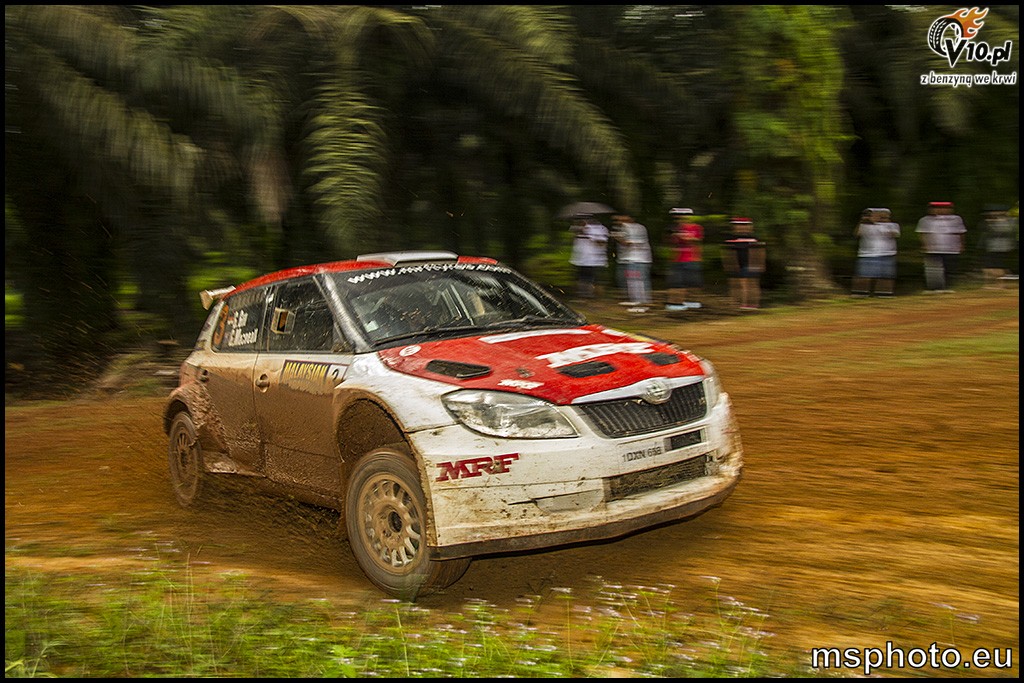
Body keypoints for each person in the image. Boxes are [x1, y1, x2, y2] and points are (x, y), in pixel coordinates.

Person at [916, 201, 966, 292]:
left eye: (944, 208)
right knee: (932, 269)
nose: (941, 210)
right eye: (937, 208)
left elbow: (961, 232)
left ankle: (947, 287)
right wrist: (924, 245)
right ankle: (933, 288)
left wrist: (961, 245)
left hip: (951, 248)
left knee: (949, 268)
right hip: (933, 248)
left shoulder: (956, 219)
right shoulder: (925, 220)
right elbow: (922, 233)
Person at [852, 208, 900, 297]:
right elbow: (857, 234)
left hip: (887, 254)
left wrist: (879, 223)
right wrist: (864, 221)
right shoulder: (864, 226)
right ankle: (859, 294)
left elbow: (894, 234)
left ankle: (884, 294)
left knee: (886, 277)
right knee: (863, 276)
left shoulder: (892, 225)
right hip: (867, 254)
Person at [611, 214, 653, 311]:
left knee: (638, 282)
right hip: (631, 260)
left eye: (621, 219)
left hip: (638, 259)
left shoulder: (637, 228)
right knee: (632, 281)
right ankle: (636, 301)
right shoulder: (624, 228)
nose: (619, 221)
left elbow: (627, 243)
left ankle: (643, 304)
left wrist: (617, 237)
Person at [722, 217, 766, 310]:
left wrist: (760, 264)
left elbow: (760, 251)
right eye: (738, 225)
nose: (741, 227)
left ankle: (752, 304)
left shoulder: (754, 238)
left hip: (751, 264)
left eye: (744, 225)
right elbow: (727, 252)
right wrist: (728, 264)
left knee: (751, 284)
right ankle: (737, 304)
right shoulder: (731, 239)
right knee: (736, 285)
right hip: (736, 265)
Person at [665, 208, 704, 311]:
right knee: (677, 283)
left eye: (684, 215)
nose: (681, 218)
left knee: (693, 283)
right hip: (677, 259)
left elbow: (697, 240)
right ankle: (675, 303)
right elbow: (670, 242)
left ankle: (692, 302)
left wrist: (684, 236)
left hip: (692, 259)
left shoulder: (696, 227)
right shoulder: (674, 228)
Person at [569, 214, 608, 299]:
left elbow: (602, 242)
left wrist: (589, 235)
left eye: (585, 218)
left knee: (594, 280)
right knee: (581, 278)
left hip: (595, 260)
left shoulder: (601, 228)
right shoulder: (577, 228)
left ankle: (596, 298)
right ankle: (583, 296)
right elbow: (573, 240)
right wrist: (578, 233)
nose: (583, 220)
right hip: (580, 259)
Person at [979, 204, 1018, 288]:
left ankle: (1001, 284)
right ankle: (989, 284)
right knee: (988, 266)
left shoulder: (1010, 220)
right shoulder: (989, 221)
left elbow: (1007, 230)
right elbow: (984, 230)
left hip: (1002, 247)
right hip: (991, 247)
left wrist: (995, 222)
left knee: (998, 266)